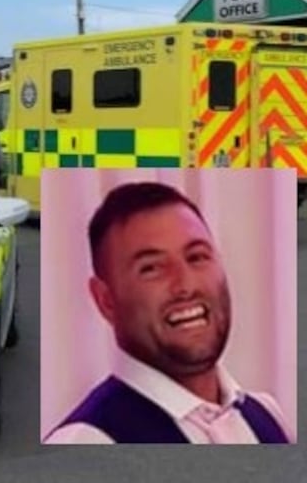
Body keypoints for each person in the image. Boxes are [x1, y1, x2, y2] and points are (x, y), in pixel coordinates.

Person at [43, 181, 294, 444]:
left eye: (197, 257)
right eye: (152, 268)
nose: (186, 285)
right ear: (105, 300)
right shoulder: (85, 441)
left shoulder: (268, 414)